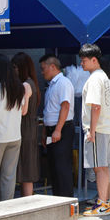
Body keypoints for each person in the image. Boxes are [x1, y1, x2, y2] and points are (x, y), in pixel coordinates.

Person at [0, 54, 31, 204]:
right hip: (15, 137)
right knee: (9, 177)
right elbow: (23, 112)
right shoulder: (18, 88)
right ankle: (7, 207)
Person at [80, 43, 110, 216]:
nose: (82, 63)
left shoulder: (95, 78)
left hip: (98, 128)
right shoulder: (103, 76)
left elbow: (95, 106)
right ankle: (105, 201)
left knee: (99, 167)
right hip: (105, 127)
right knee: (103, 166)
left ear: (94, 60)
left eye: (84, 60)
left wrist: (91, 130)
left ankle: (103, 204)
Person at [40, 54, 75, 198]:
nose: (42, 72)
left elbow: (65, 106)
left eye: (43, 68)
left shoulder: (63, 83)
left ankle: (66, 199)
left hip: (62, 128)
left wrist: (58, 130)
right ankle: (57, 198)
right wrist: (45, 131)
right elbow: (48, 110)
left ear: (52, 67)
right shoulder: (52, 85)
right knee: (54, 167)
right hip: (52, 129)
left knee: (62, 167)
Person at [12, 52, 41, 197]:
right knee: (28, 167)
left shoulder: (25, 85)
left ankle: (27, 200)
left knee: (25, 168)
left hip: (24, 128)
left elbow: (23, 111)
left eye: (15, 67)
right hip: (31, 128)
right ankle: (27, 200)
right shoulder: (33, 83)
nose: (14, 71)